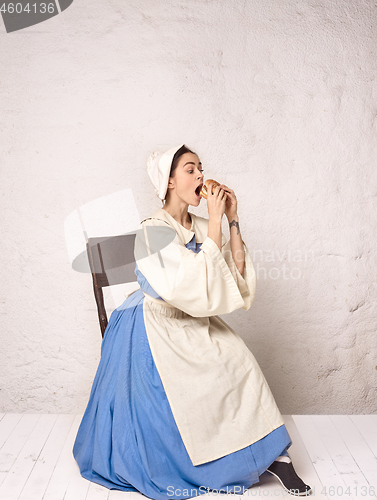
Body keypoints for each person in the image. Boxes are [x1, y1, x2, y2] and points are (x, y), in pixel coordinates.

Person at [72, 144, 312, 498]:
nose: (201, 175)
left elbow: (235, 272)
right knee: (193, 379)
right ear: (169, 181)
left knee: (238, 359)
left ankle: (272, 455)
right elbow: (190, 282)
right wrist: (215, 221)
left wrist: (231, 218)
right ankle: (211, 461)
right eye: (190, 169)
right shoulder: (152, 229)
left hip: (191, 316)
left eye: (201, 167)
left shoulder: (201, 223)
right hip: (154, 322)